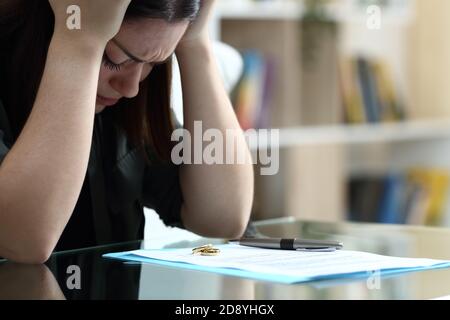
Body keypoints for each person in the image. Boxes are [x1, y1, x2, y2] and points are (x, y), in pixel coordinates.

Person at [0, 0, 254, 264]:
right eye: (113, 59)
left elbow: (224, 217)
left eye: (151, 64)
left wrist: (195, 42)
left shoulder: (124, 109)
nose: (131, 87)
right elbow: (23, 241)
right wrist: (79, 41)